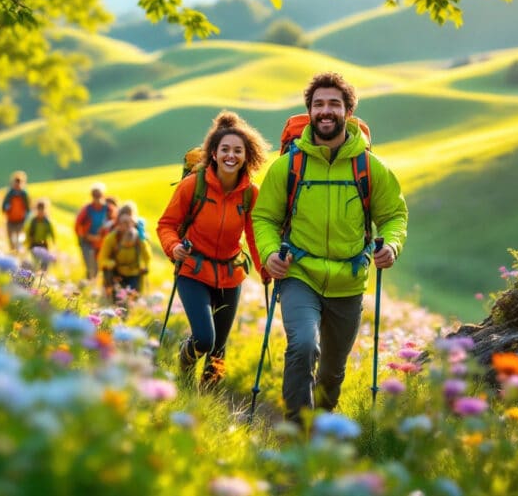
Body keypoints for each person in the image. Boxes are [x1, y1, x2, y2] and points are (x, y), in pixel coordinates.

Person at [252, 72, 408, 421]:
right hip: (299, 274)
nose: (325, 111)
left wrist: (392, 246)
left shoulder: (370, 167)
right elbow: (263, 217)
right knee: (303, 347)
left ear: (348, 113)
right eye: (318, 104)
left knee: (332, 371)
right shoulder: (288, 165)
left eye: (334, 104)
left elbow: (394, 215)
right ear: (309, 111)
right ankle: (297, 435)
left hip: (349, 281)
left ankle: (321, 425)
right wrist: (269, 253)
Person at [157, 111, 269, 388]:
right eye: (225, 150)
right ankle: (184, 364)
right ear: (214, 154)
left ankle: (209, 403)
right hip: (193, 270)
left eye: (238, 151)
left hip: (230, 274)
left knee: (219, 350)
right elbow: (166, 224)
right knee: (204, 339)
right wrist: (174, 248)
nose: (231, 155)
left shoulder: (249, 193)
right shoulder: (192, 186)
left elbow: (254, 235)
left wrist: (265, 267)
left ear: (247, 156)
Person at [97, 202, 151, 303]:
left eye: (129, 222)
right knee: (116, 300)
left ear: (133, 222)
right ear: (118, 223)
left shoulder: (139, 238)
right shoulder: (112, 238)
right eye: (123, 223)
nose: (126, 226)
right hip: (116, 272)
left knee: (132, 299)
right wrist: (110, 264)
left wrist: (142, 240)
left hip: (134, 273)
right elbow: (101, 259)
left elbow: (147, 257)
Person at [74, 182, 116, 281]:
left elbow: (115, 223)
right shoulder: (87, 209)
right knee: (90, 266)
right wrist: (84, 236)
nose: (97, 198)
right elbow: (77, 225)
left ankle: (91, 285)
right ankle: (88, 284)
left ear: (103, 195)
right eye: (94, 196)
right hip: (87, 241)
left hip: (102, 243)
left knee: (98, 267)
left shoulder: (109, 209)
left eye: (99, 195)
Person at [1, 171, 30, 252]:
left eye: (19, 182)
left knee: (18, 239)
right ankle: (13, 252)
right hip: (10, 220)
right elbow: (4, 204)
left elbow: (27, 207)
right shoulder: (10, 193)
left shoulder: (24, 194)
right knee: (11, 239)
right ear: (13, 183)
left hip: (21, 220)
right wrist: (5, 209)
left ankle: (17, 252)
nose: (17, 184)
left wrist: (27, 216)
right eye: (16, 182)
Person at [25, 199, 56, 269]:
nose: (40, 212)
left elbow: (51, 232)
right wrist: (28, 242)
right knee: (35, 260)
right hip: (34, 243)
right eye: (39, 210)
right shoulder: (33, 221)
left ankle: (43, 273)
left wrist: (53, 241)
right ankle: (35, 272)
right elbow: (29, 232)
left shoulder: (47, 222)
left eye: (42, 210)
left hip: (44, 244)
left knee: (44, 260)